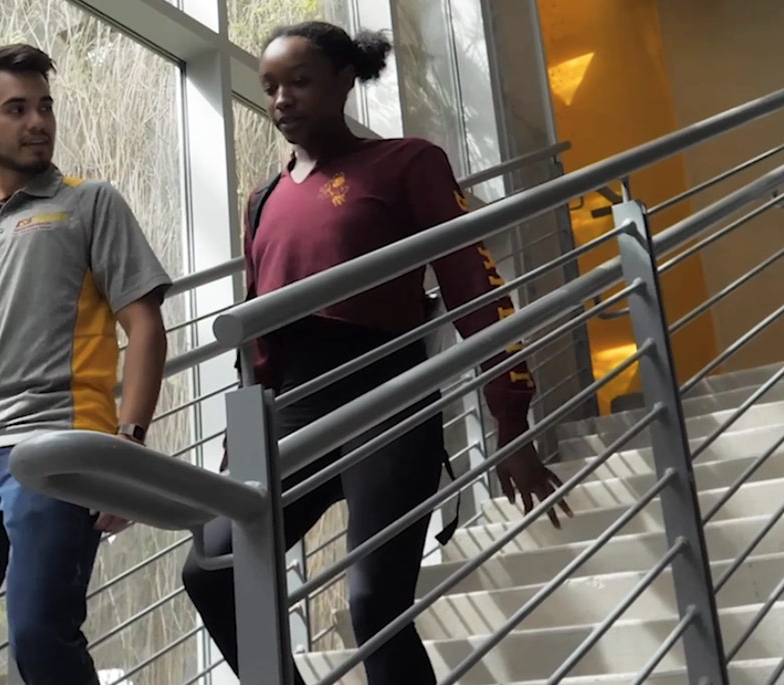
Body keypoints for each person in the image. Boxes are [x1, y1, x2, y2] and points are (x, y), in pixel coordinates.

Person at [178, 22, 571, 685]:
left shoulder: (406, 163)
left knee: (374, 605)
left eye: (299, 81)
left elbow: (473, 284)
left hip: (386, 402)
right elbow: (257, 341)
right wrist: (235, 455)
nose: (281, 100)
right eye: (269, 87)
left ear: (343, 79)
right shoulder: (263, 199)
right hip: (289, 413)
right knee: (211, 570)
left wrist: (512, 417)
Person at [0, 43, 174, 685]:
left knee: (41, 634)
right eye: (17, 109)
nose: (38, 121)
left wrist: (127, 448)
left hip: (58, 447)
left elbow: (144, 325)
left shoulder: (90, 203)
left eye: (44, 106)